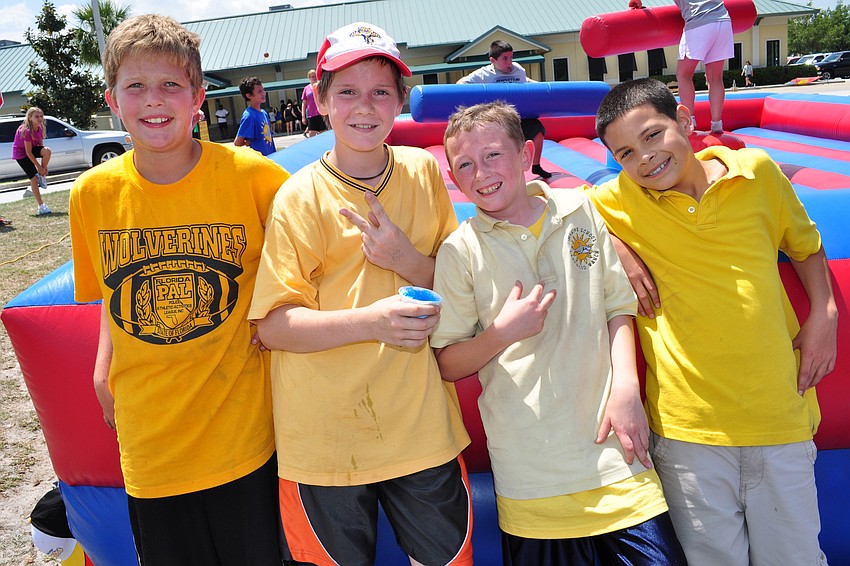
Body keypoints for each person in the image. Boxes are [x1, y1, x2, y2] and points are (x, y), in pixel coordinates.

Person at [68, 14, 290, 565]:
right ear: (112, 99)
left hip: (245, 436)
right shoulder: (92, 195)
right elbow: (111, 298)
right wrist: (103, 364)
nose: (154, 100)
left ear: (197, 95)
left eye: (171, 84)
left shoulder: (255, 178)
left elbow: (307, 268)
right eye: (135, 86)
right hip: (151, 444)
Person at [249, 21, 473, 566]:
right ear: (321, 98)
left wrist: (406, 260)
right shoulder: (299, 196)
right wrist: (373, 321)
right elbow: (273, 326)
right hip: (323, 440)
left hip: (421, 428)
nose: (364, 106)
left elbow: (461, 289)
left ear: (401, 98)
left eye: (380, 91)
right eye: (346, 91)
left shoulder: (422, 173)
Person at [587, 77, 837, 564]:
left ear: (685, 118)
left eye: (653, 135)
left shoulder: (757, 173)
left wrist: (824, 313)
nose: (644, 159)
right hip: (688, 434)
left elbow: (806, 245)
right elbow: (550, 205)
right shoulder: (617, 201)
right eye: (624, 154)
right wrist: (613, 244)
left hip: (779, 417)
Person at [431, 101, 686, 565]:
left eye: (492, 155)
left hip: (617, 456)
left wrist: (627, 386)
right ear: (453, 176)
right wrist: (501, 334)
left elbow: (617, 304)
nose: (480, 172)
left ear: (527, 154)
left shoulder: (580, 209)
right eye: (464, 164)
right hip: (531, 475)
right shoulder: (460, 251)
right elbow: (447, 362)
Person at [630, 0, 732, 134]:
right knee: (715, 78)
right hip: (723, 20)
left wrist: (635, 2)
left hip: (699, 22)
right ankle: (717, 124)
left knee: (684, 75)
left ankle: (689, 123)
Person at [457, 40, 552, 179]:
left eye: (511, 57)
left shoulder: (518, 70)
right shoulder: (484, 74)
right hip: (498, 121)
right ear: (493, 60)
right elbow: (461, 83)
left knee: (537, 129)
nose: (509, 62)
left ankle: (536, 165)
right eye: (505, 58)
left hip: (520, 116)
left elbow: (526, 81)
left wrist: (542, 88)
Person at [12, 107, 52, 215]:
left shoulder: (39, 128)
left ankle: (42, 176)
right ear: (30, 117)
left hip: (30, 151)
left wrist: (44, 168)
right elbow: (28, 152)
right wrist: (39, 167)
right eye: (36, 116)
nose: (39, 118)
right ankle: (41, 206)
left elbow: (41, 147)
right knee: (33, 179)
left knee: (47, 151)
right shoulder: (26, 131)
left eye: (41, 116)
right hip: (21, 154)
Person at [234, 76, 276, 155]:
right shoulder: (249, 116)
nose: (264, 93)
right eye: (259, 91)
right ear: (249, 95)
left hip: (271, 157)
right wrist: (247, 142)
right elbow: (237, 142)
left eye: (263, 90)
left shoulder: (263, 113)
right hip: (261, 161)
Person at [301, 68, 327, 137]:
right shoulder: (306, 88)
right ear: (309, 78)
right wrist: (303, 116)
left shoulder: (321, 86)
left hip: (321, 114)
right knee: (311, 134)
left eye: (315, 76)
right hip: (311, 115)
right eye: (312, 76)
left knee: (323, 134)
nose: (314, 78)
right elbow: (304, 103)